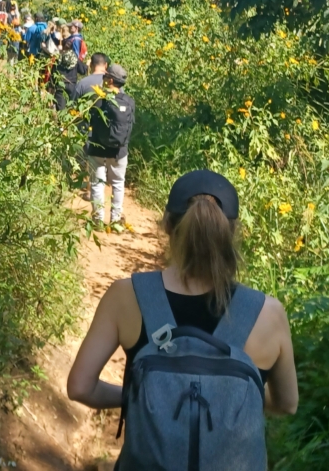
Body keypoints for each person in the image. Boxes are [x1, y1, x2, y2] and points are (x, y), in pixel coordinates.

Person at [67, 170, 299, 470]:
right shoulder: (268, 313)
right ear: (233, 232)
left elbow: (80, 387)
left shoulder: (127, 296)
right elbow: (287, 404)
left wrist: (139, 396)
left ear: (166, 225)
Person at [85, 64, 135, 225]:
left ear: (111, 80)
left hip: (97, 148)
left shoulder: (99, 99)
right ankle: (115, 219)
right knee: (118, 183)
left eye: (105, 76)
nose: (103, 79)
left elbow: (89, 120)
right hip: (120, 150)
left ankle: (98, 220)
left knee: (97, 183)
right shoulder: (129, 101)